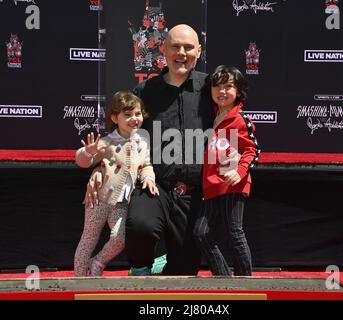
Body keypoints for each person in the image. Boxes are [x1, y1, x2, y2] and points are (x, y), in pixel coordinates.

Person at [84, 24, 239, 275]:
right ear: (163, 50)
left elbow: (234, 126)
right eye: (175, 46)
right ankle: (141, 269)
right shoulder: (144, 92)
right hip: (153, 185)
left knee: (184, 269)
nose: (182, 52)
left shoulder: (213, 90)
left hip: (195, 191)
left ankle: (163, 264)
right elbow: (120, 136)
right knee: (140, 227)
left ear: (199, 52)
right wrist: (100, 167)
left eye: (188, 47)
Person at [74, 91, 159, 276]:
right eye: (127, 115)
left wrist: (149, 178)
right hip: (99, 200)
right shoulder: (107, 142)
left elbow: (146, 164)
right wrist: (88, 152)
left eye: (137, 114)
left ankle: (97, 262)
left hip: (121, 204)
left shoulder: (143, 141)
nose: (134, 119)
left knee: (120, 239)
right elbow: (82, 161)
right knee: (88, 239)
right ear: (115, 117)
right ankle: (79, 278)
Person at [193, 65, 261, 276]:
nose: (222, 92)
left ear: (239, 90)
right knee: (201, 232)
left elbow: (254, 150)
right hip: (211, 185)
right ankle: (223, 277)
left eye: (228, 86)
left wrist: (239, 172)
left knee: (235, 233)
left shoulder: (241, 120)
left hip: (233, 184)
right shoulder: (208, 116)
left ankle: (246, 284)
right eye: (217, 86)